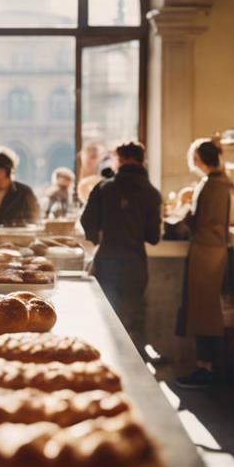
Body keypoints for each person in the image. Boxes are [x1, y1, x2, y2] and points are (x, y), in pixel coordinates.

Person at [80, 141, 162, 350]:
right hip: (135, 264)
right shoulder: (152, 193)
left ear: (120, 159)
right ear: (142, 160)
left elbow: (86, 221)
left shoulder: (104, 187)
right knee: (132, 321)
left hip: (107, 261)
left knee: (105, 319)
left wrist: (99, 239)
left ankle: (104, 368)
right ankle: (136, 375)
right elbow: (153, 237)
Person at [175, 138, 233, 388]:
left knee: (203, 312)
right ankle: (210, 367)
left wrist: (182, 213)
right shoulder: (223, 182)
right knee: (206, 311)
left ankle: (207, 369)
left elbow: (198, 221)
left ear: (198, 158)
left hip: (206, 250)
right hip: (214, 249)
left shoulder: (210, 185)